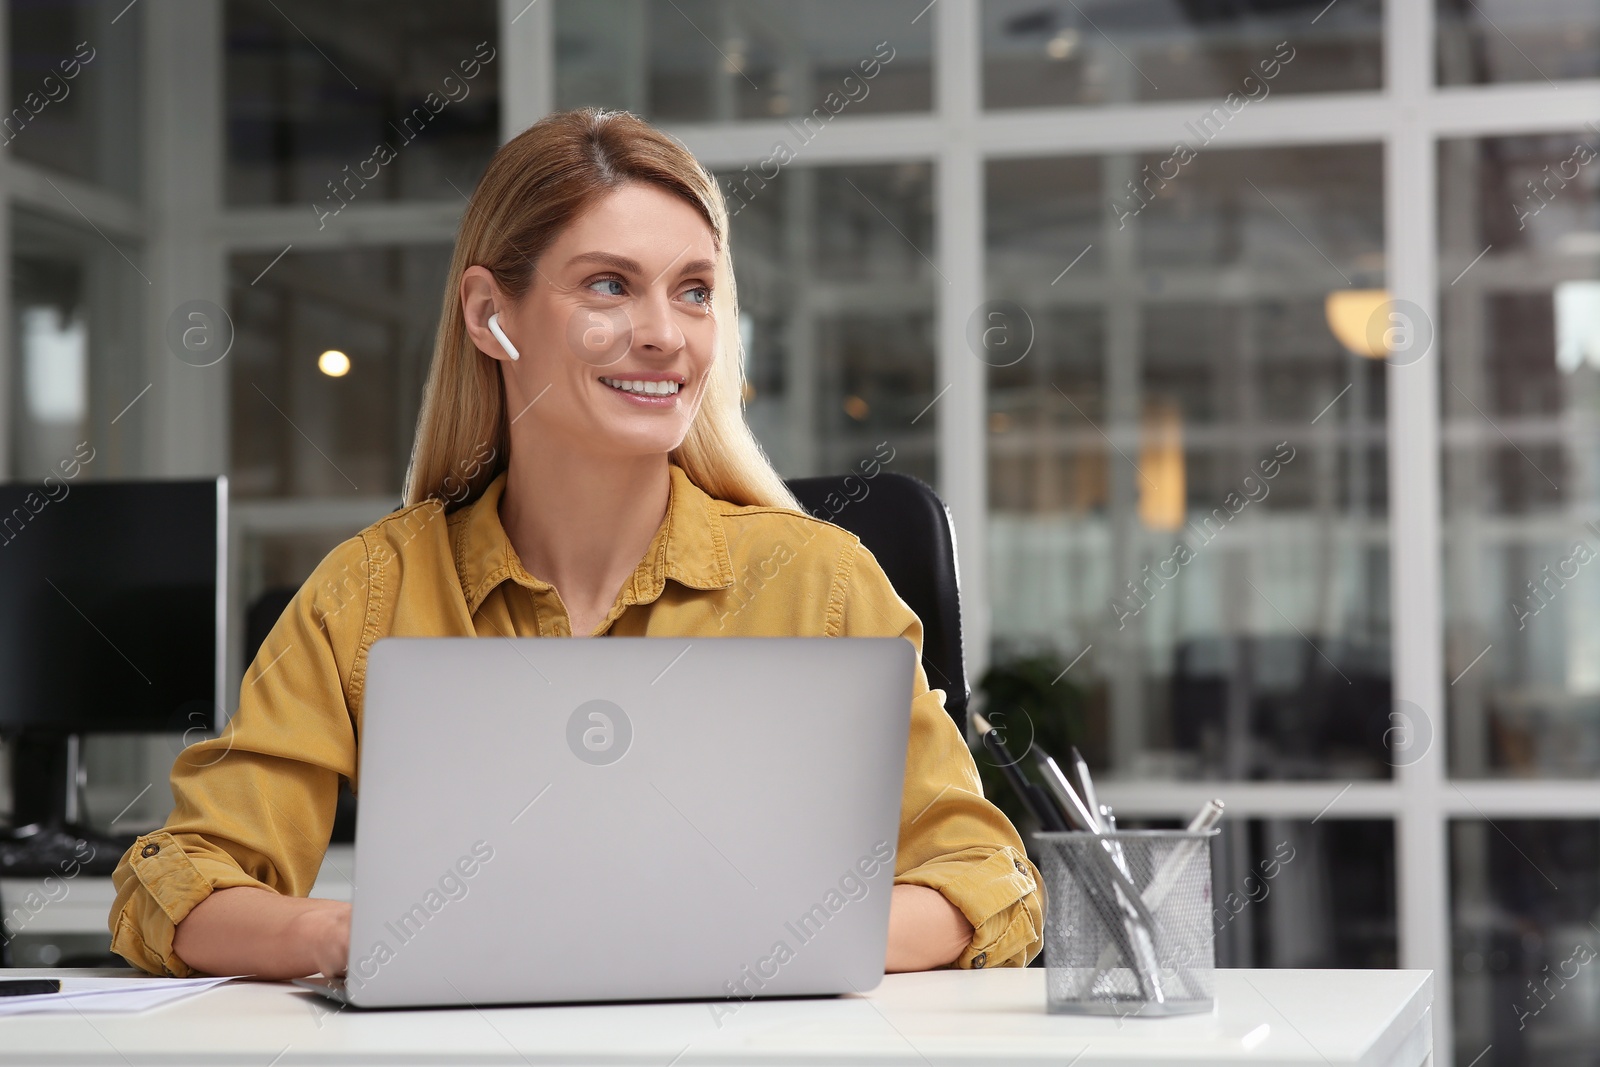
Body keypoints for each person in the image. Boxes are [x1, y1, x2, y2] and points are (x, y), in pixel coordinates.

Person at [109, 108, 1043, 980]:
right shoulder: (371, 592)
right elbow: (177, 884)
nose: (664, 336)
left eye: (694, 292)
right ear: (490, 315)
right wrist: (366, 933)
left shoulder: (821, 583)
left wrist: (759, 939)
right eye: (609, 284)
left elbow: (985, 878)